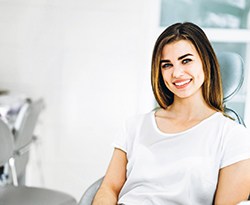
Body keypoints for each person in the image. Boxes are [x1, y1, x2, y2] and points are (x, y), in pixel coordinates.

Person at [92, 22, 250, 205]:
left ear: (205, 62)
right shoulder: (134, 126)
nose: (176, 73)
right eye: (166, 65)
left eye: (186, 60)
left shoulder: (233, 137)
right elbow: (109, 188)